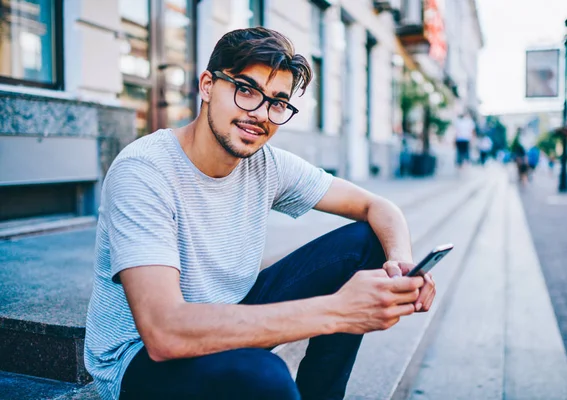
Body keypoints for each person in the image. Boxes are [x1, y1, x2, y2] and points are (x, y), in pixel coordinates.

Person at [84, 27, 436, 400]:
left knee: (365, 242)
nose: (260, 114)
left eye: (277, 102)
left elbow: (377, 206)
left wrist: (402, 267)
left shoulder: (265, 164)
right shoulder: (144, 171)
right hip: (141, 362)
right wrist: (338, 311)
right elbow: (164, 331)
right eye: (245, 90)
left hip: (226, 315)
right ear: (207, 86)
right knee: (265, 378)